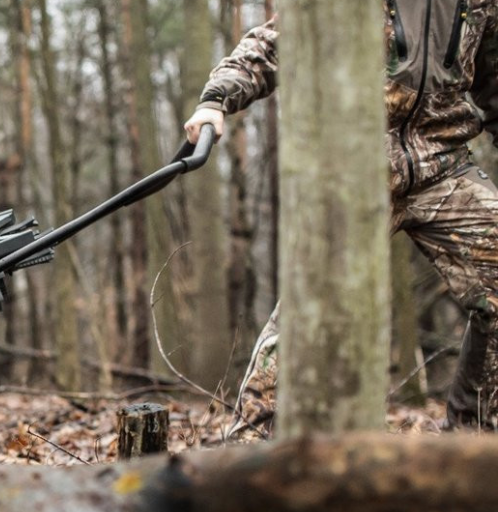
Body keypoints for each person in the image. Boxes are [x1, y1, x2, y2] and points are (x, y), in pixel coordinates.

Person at [183, 5, 498, 434]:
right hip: (355, 167)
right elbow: (275, 41)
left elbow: (494, 80)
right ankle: (250, 453)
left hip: (443, 165)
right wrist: (216, 100)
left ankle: (473, 445)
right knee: (312, 311)